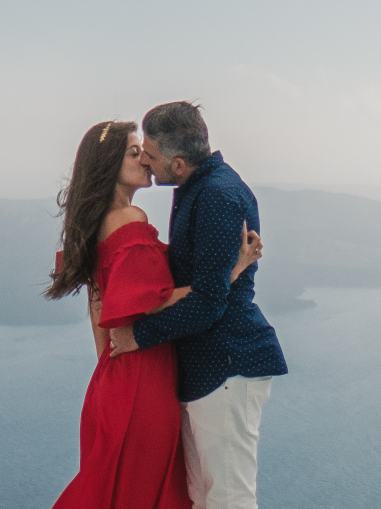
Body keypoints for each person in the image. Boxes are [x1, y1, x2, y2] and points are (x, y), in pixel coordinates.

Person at [46, 120, 262, 509]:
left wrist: (112, 368)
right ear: (109, 166)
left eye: (143, 151)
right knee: (146, 491)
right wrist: (233, 270)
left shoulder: (97, 226)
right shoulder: (130, 220)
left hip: (116, 377)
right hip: (146, 374)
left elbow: (99, 306)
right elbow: (152, 299)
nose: (144, 158)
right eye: (134, 152)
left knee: (120, 487)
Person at [107, 102, 287, 509]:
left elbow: (207, 302)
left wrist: (138, 336)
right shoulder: (199, 187)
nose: (146, 164)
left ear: (181, 163)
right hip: (208, 368)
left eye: (150, 155)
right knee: (202, 499)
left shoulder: (217, 195)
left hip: (228, 363)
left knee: (228, 499)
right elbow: (197, 274)